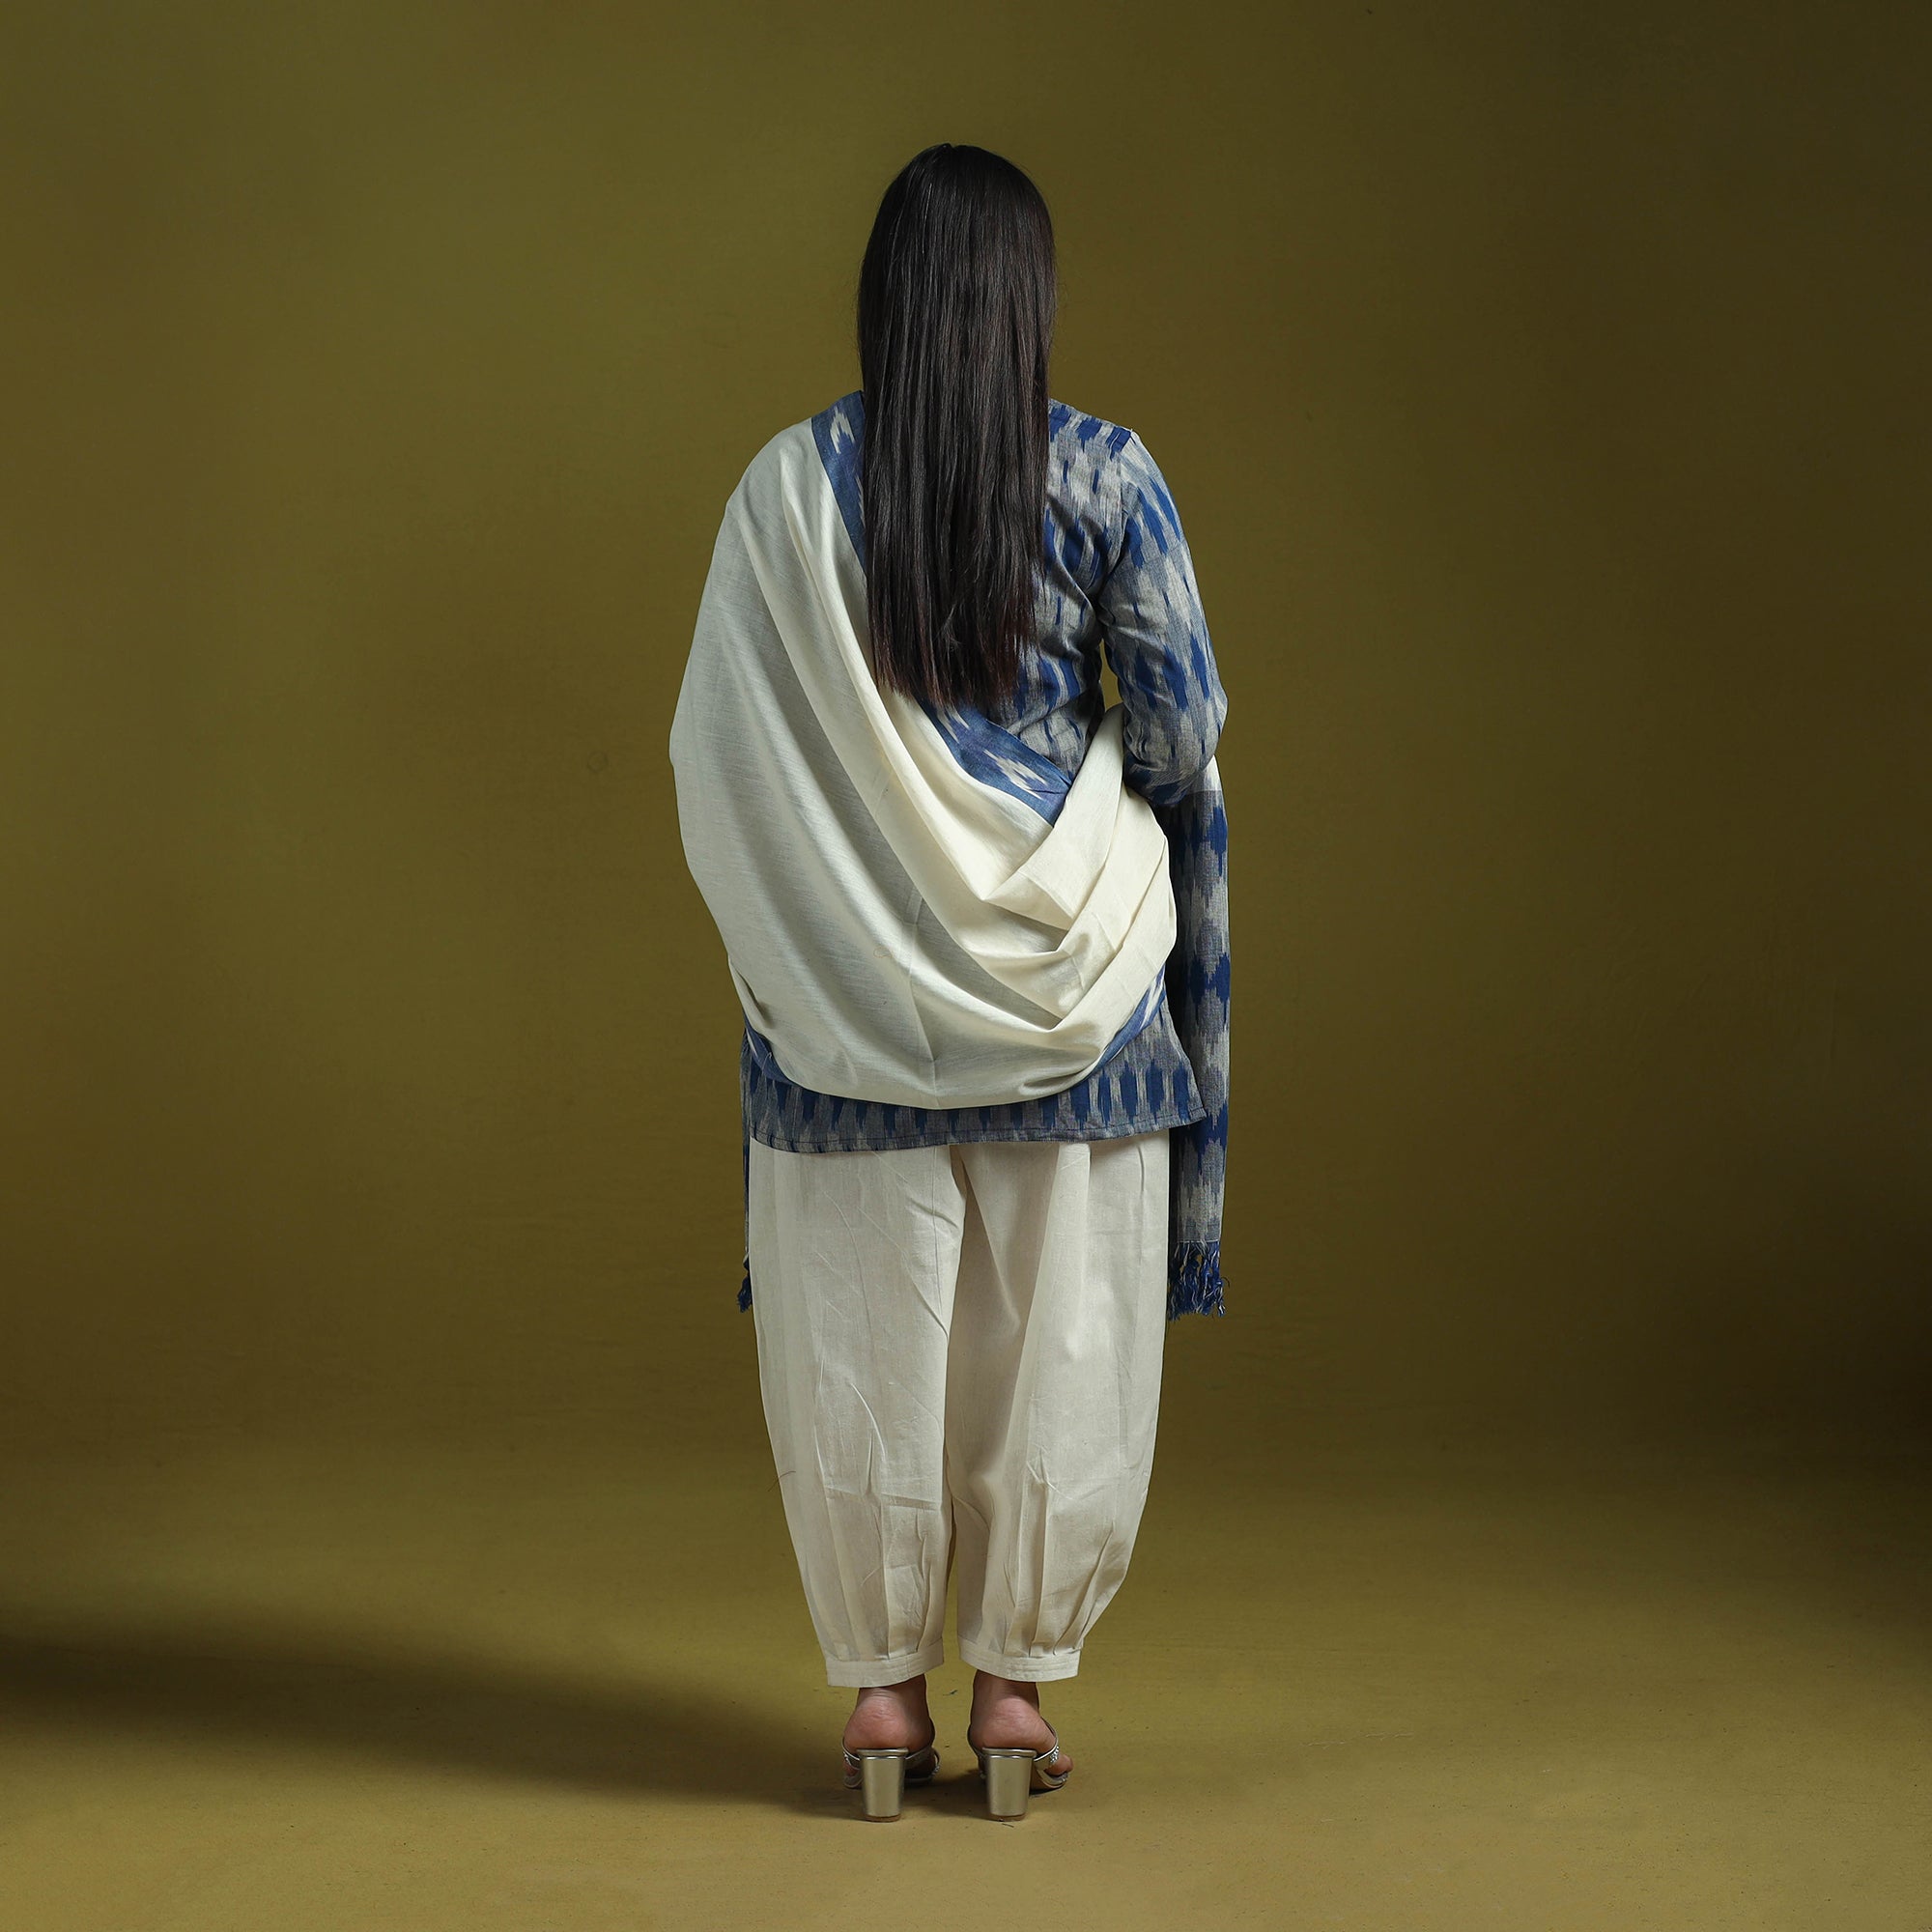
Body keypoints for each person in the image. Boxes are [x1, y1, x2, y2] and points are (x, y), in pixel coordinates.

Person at [669, 142, 1231, 1820]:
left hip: (845, 1017)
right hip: (1082, 1009)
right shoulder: (1108, 478)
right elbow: (1185, 731)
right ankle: (1013, 1696)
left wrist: (855, 907)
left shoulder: (785, 492)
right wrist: (1068, 817)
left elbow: (719, 762)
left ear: (883, 300)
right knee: (1059, 1352)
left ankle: (878, 1697)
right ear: (1027, 304)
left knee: (862, 1345)